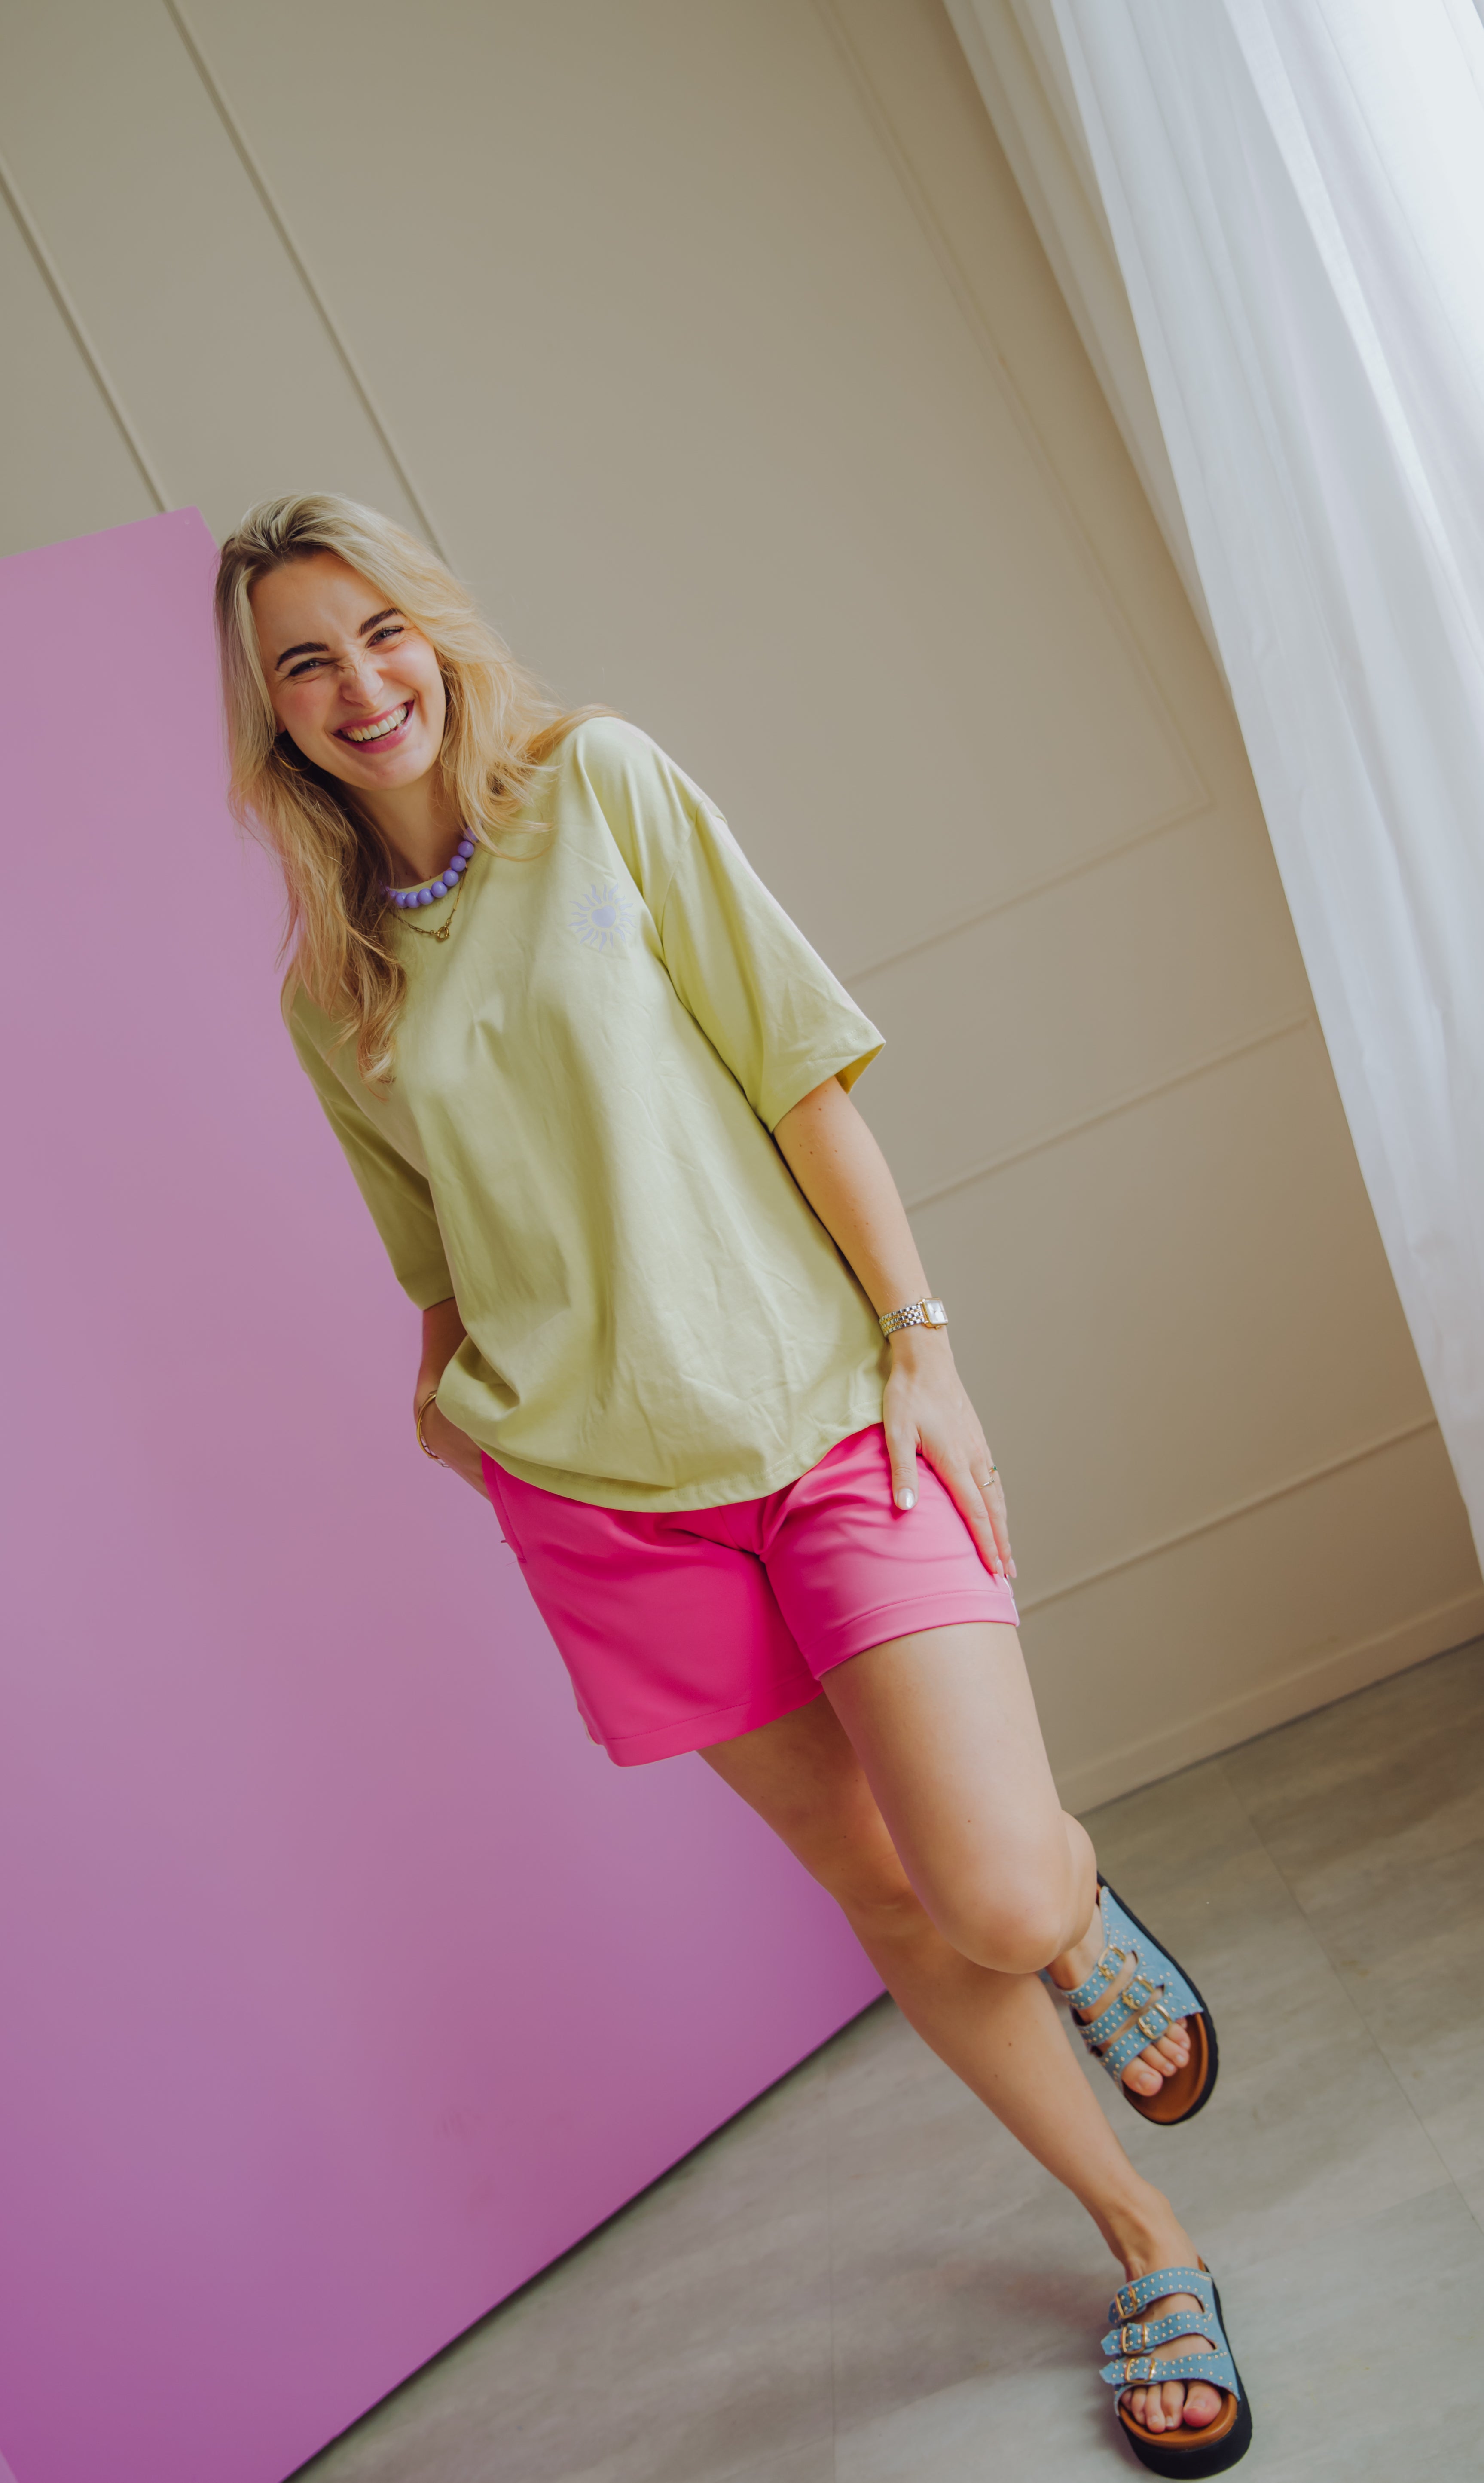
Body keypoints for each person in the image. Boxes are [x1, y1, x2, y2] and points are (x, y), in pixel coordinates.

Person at [215, 493, 1251, 2474]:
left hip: (824, 1416)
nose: (360, 685)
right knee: (889, 1895)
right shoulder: (327, 991)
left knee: (994, 1880)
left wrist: (922, 1340)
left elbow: (798, 1071)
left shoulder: (601, 787)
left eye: (378, 631)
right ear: (270, 714)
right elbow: (437, 1263)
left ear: (436, 629)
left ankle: (1075, 1907)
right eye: (304, 663)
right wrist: (450, 1406)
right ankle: (1147, 2238)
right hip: (606, 1508)